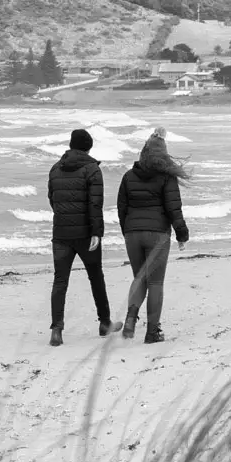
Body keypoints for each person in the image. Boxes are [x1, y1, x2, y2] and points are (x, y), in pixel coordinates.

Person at [115, 127, 190, 343]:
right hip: (157, 236)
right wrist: (182, 235)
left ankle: (131, 317)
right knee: (155, 283)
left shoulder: (128, 176)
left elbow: (122, 209)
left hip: (132, 235)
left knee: (139, 279)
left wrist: (128, 231)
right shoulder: (167, 177)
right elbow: (173, 208)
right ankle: (152, 332)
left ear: (143, 152)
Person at [46, 126, 111, 345]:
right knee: (95, 276)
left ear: (71, 145)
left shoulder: (55, 168)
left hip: (61, 233)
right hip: (85, 234)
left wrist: (64, 217)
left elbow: (52, 200)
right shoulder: (92, 169)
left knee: (60, 281)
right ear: (88, 147)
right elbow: (96, 204)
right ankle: (104, 322)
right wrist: (96, 232)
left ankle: (56, 330)